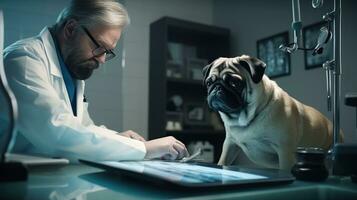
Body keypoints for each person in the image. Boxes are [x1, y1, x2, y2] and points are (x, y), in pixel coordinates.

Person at [2, 0, 188, 162]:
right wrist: (145, 149)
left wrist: (118, 138)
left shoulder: (71, 68)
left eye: (107, 52)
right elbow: (56, 131)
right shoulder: (23, 59)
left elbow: (82, 128)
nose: (101, 59)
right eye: (99, 47)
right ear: (71, 29)